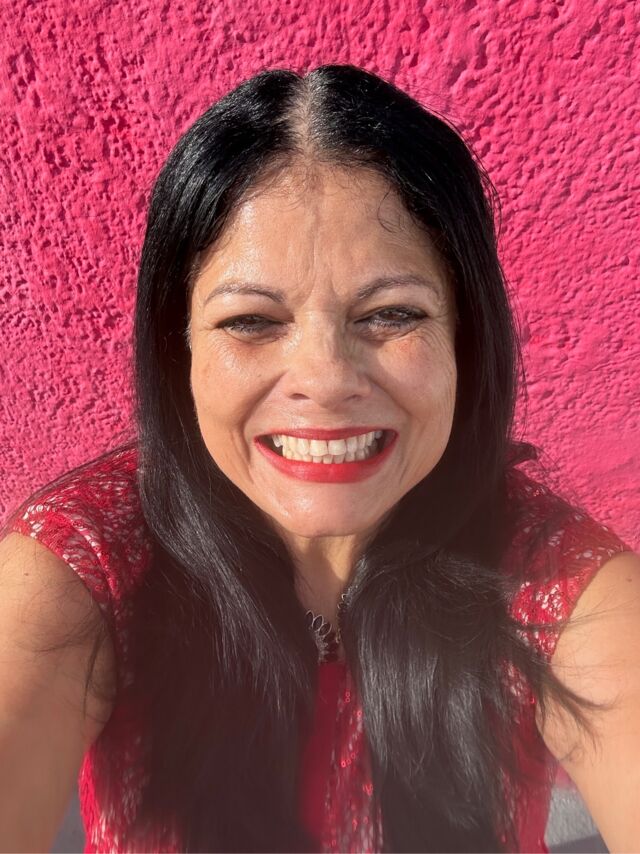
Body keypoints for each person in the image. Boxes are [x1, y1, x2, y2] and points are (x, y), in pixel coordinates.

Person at [0, 64, 638, 854]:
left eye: (391, 314)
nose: (327, 381)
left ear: (467, 340)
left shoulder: (556, 586)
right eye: (251, 322)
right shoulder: (87, 567)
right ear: (178, 352)